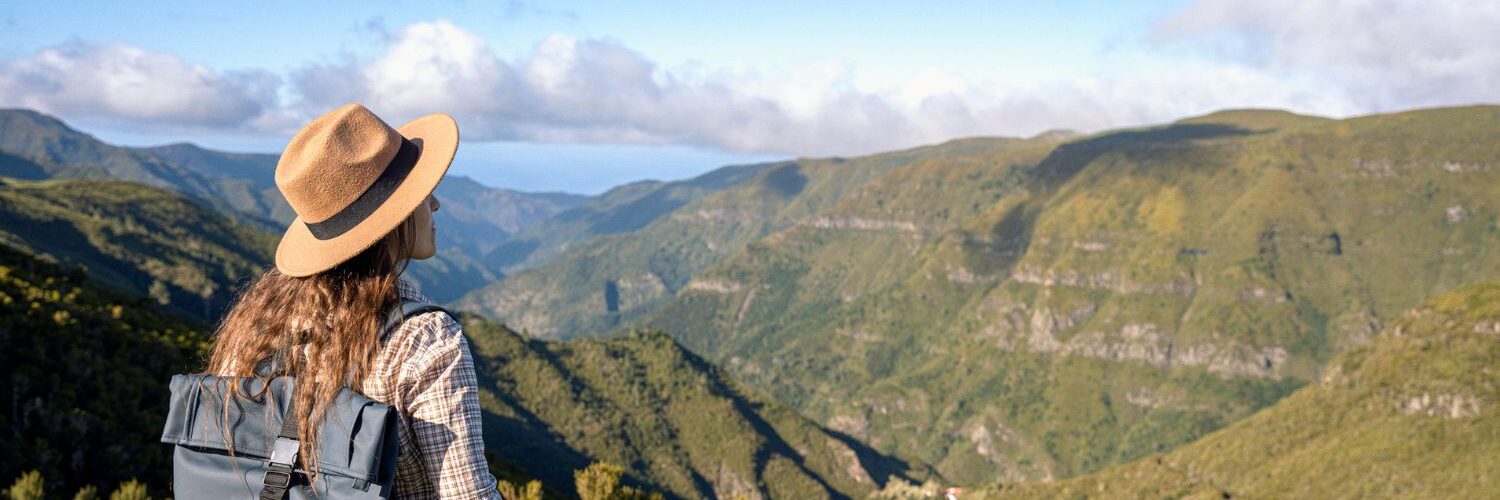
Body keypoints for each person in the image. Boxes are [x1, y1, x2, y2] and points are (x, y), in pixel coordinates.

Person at [203, 103, 501, 499]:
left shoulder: (257, 324)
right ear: (392, 216)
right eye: (422, 190)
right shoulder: (423, 339)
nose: (435, 204)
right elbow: (468, 495)